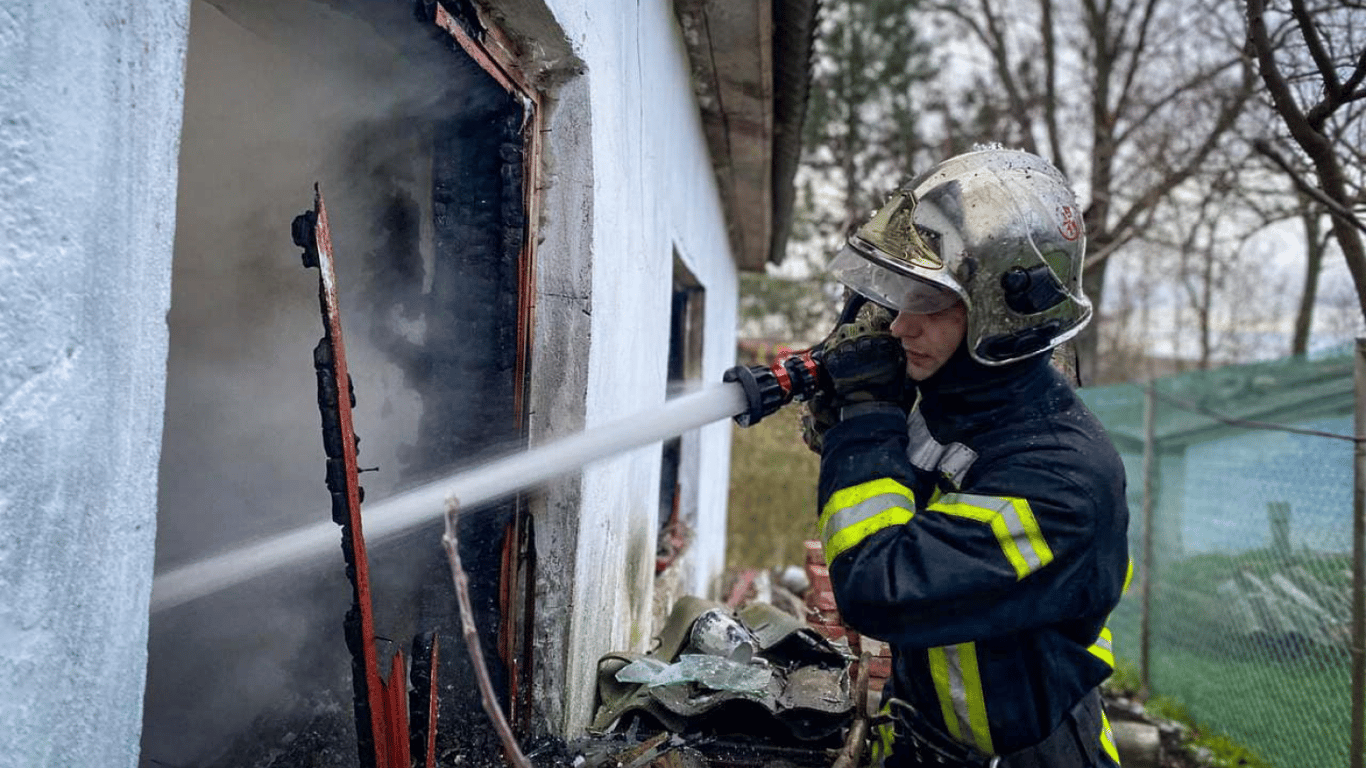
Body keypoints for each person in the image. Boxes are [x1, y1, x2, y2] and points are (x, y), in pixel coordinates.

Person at [806, 148, 1130, 767]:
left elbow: (876, 586)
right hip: (924, 737)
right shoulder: (956, 401)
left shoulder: (1062, 481)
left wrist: (867, 420)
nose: (899, 327)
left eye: (927, 302)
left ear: (1003, 310)